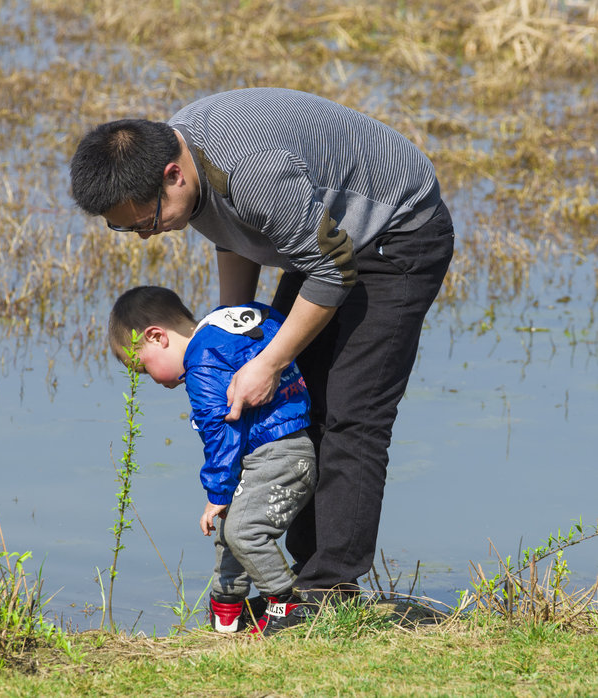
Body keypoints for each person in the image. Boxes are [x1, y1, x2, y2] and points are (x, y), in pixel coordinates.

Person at [71, 87, 454, 633]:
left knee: (351, 414)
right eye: (126, 228)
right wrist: (234, 333)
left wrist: (269, 362)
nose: (145, 235)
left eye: (145, 221)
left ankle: (329, 591)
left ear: (172, 175)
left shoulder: (251, 173)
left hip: (396, 233)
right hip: (325, 233)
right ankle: (299, 579)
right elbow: (236, 237)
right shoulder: (187, 162)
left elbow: (332, 268)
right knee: (292, 407)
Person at [108, 285, 317, 634]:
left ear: (157, 336)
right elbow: (277, 323)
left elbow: (222, 430)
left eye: (143, 368)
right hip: (286, 448)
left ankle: (287, 606)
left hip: (278, 455)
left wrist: (216, 494)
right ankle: (227, 609)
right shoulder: (227, 325)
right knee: (228, 530)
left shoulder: (202, 361)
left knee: (242, 530)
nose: (150, 380)